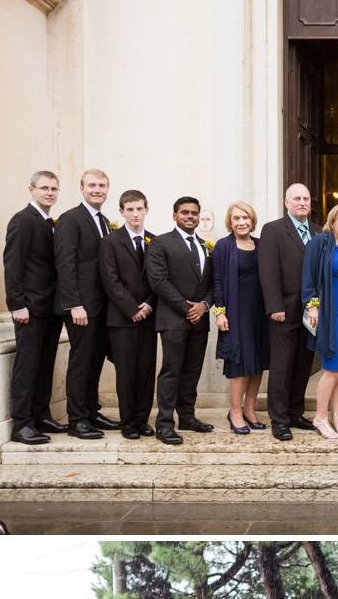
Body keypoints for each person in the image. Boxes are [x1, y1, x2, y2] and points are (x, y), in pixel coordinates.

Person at [53, 168, 120, 440]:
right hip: (81, 308)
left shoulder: (103, 220)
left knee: (95, 361)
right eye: (92, 185)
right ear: (81, 188)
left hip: (100, 307)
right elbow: (65, 263)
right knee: (80, 362)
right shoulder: (71, 219)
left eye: (102, 185)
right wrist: (73, 304)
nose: (97, 189)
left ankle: (91, 411)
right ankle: (76, 419)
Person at [145, 196, 215, 446]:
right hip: (174, 318)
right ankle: (164, 424)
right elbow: (158, 281)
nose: (190, 217)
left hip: (200, 320)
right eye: (185, 212)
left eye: (194, 213)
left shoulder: (207, 245)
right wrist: (187, 308)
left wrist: (205, 305)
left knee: (191, 372)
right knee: (171, 372)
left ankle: (187, 416)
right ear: (174, 215)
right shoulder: (160, 243)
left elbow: (213, 282)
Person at [3, 169, 64, 444]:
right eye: (44, 188)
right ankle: (22, 424)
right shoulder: (22, 220)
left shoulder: (51, 223)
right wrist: (17, 304)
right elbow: (12, 265)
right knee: (27, 366)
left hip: (51, 308)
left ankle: (41, 415)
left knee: (44, 364)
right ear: (32, 190)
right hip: (29, 308)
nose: (49, 193)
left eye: (53, 189)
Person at [258, 184, 322, 441]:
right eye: (297, 198)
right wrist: (275, 307)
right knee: (282, 366)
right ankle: (280, 418)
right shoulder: (273, 230)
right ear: (286, 202)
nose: (302, 202)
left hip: (313, 313)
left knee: (303, 365)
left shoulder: (319, 231)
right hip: (284, 310)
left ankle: (296, 412)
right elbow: (268, 270)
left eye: (306, 198)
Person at [99, 189, 158, 440]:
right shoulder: (110, 242)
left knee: (146, 370)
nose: (135, 214)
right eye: (130, 209)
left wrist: (149, 304)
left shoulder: (155, 242)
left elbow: (160, 279)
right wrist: (132, 309)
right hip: (122, 319)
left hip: (149, 316)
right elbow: (110, 281)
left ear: (147, 210)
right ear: (121, 212)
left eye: (139, 208)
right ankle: (128, 422)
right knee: (126, 372)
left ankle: (143, 419)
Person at [302, 202, 338, 438]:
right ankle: (320, 417)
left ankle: (336, 415)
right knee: (332, 369)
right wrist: (312, 306)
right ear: (333, 221)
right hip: (329, 312)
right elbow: (308, 276)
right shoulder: (321, 242)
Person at [213, 200, 269, 435]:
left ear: (252, 220)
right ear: (230, 222)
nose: (241, 222)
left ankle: (249, 409)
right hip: (236, 312)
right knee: (241, 364)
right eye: (236, 218)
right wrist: (220, 312)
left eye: (245, 218)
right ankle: (235, 411)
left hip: (260, 310)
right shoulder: (224, 246)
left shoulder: (261, 244)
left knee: (257, 362)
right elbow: (216, 281)